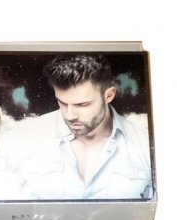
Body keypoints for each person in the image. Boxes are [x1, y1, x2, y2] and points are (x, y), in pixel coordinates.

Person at [8, 54, 153, 200]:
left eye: (82, 105)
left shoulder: (145, 145)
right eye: (62, 103)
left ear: (109, 95)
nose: (70, 115)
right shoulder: (25, 137)